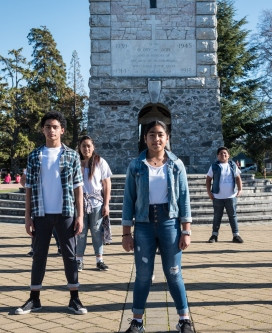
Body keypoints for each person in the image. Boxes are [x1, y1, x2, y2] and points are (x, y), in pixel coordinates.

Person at [122, 120, 193, 333]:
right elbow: (128, 200)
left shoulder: (176, 164)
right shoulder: (136, 165)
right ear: (145, 138)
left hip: (169, 223)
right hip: (143, 225)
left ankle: (184, 320)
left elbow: (184, 198)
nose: (156, 139)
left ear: (167, 138)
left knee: (173, 273)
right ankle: (137, 322)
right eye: (151, 134)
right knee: (143, 275)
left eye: (160, 134)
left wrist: (186, 230)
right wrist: (126, 233)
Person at [15, 111, 87, 315]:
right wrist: (27, 216)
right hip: (40, 213)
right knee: (39, 256)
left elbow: (78, 188)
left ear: (62, 130)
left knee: (70, 257)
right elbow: (28, 187)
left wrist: (80, 216)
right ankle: (34, 298)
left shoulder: (72, 155)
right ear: (42, 129)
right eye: (47, 126)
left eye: (55, 127)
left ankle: (74, 299)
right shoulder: (34, 156)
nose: (51, 130)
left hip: (66, 213)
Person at [76, 135, 112, 271]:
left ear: (93, 147)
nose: (86, 148)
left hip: (97, 203)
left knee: (97, 232)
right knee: (80, 232)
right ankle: (79, 260)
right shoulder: (76, 162)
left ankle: (99, 260)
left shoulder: (100, 162)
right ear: (79, 147)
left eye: (88, 146)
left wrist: (106, 204)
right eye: (83, 146)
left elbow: (107, 183)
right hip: (80, 203)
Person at [206, 146, 243, 243]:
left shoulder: (232, 165)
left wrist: (240, 189)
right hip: (217, 196)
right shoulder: (214, 166)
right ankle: (214, 235)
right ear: (218, 156)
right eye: (221, 153)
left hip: (231, 196)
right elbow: (208, 179)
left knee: (233, 216)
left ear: (228, 155)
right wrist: (209, 192)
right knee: (217, 216)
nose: (223, 155)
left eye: (225, 153)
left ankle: (236, 235)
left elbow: (238, 178)